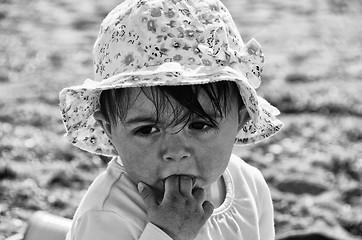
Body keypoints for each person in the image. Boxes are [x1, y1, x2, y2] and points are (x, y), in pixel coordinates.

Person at [59, 0, 283, 239]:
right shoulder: (106, 215)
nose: (176, 152)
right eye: (147, 130)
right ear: (109, 130)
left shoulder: (250, 185)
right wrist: (166, 234)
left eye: (199, 125)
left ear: (241, 118)